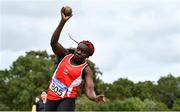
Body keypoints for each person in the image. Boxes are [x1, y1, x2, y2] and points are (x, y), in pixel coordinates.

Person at [45, 6, 105, 111]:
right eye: (78, 49)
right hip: (51, 96)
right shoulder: (65, 55)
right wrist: (62, 22)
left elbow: (89, 89)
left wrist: (94, 97)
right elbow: (53, 43)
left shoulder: (86, 70)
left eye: (83, 52)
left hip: (67, 99)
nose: (79, 52)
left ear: (87, 56)